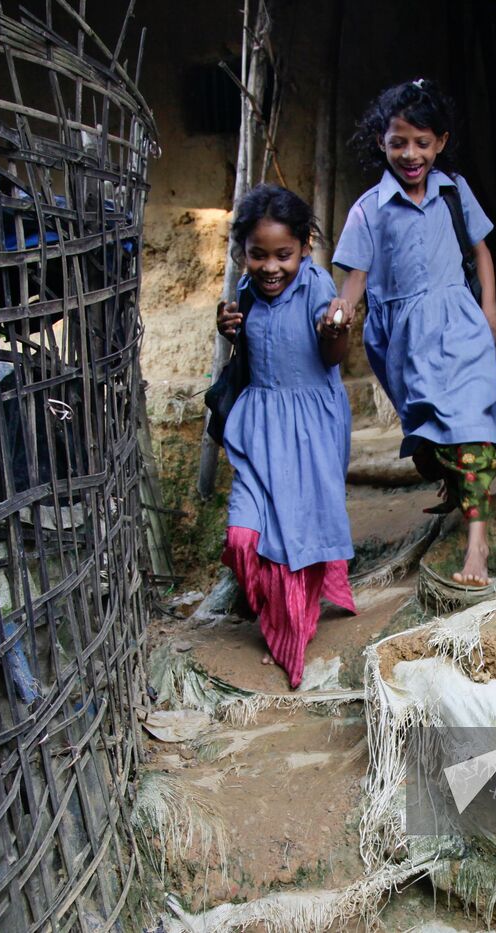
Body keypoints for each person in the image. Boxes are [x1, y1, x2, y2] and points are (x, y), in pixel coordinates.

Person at [330, 78, 496, 588]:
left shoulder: (454, 193)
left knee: (471, 427)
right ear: (382, 143)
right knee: (430, 439)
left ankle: (478, 542)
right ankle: (456, 486)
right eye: (398, 142)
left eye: (423, 143)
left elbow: (481, 252)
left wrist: (490, 313)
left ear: (442, 143)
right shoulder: (368, 209)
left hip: (459, 323)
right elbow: (356, 281)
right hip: (403, 341)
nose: (411, 155)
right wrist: (340, 311)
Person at [215, 184, 356, 689]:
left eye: (284, 255)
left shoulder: (318, 287)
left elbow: (332, 357)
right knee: (242, 537)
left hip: (309, 430)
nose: (271, 266)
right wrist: (227, 326)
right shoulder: (247, 291)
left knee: (292, 539)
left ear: (304, 248)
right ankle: (273, 609)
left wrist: (337, 329)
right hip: (257, 428)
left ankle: (292, 634)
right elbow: (252, 347)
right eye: (258, 255)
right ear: (244, 253)